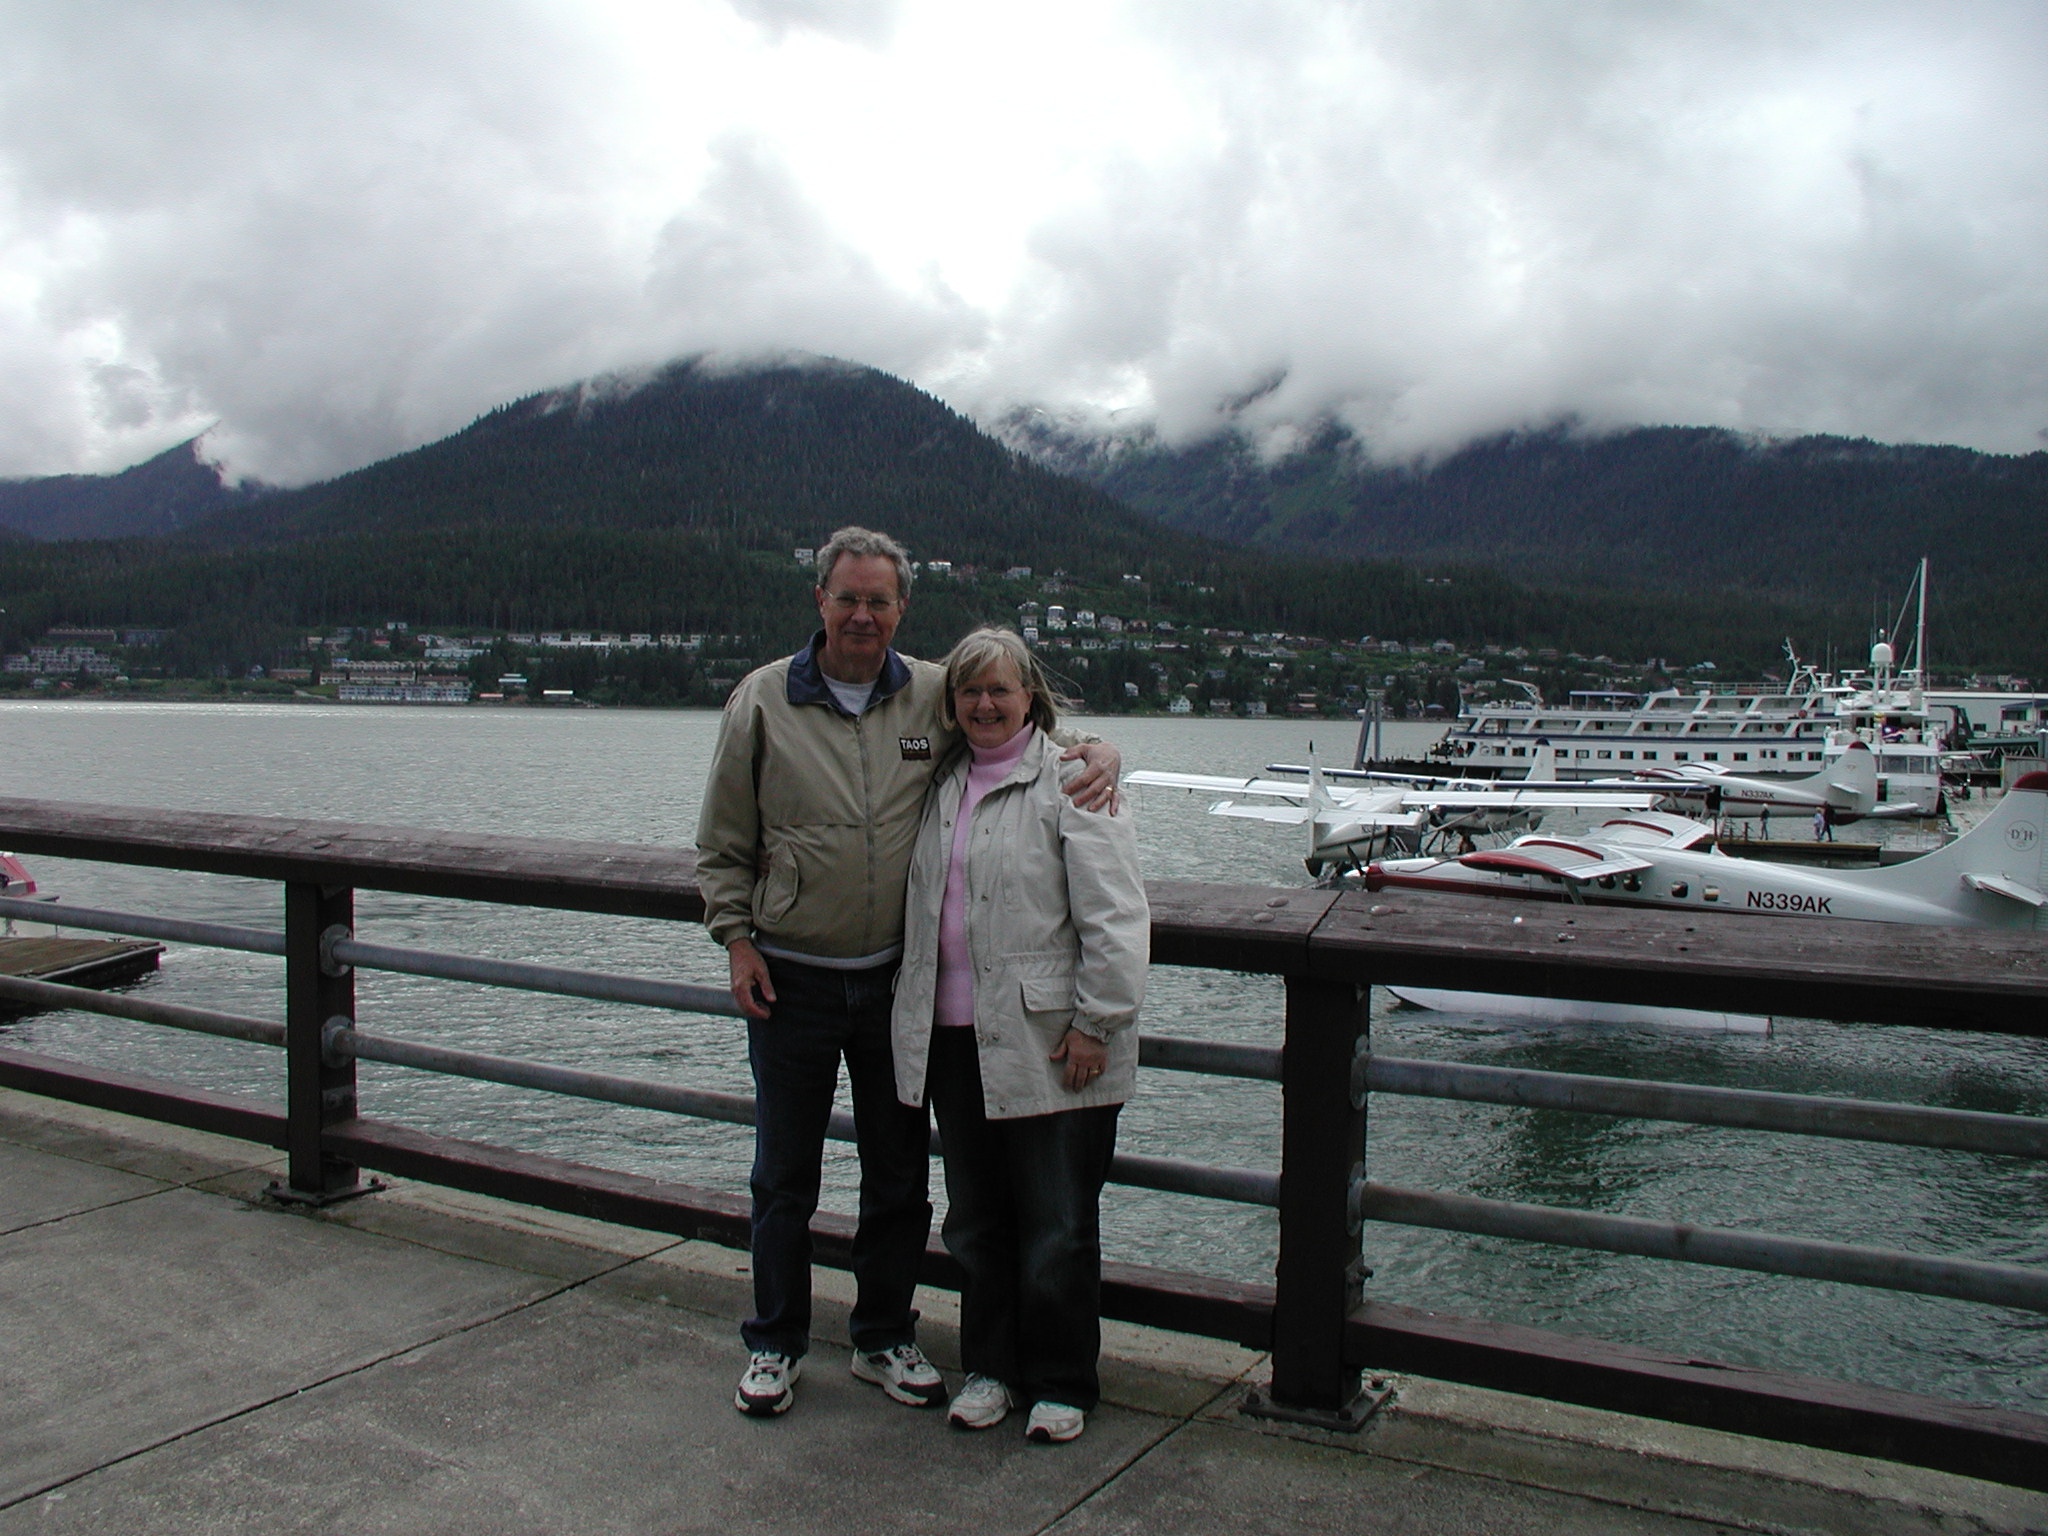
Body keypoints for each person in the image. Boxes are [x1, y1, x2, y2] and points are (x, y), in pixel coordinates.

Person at [695, 528, 1121, 1419]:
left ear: (901, 609)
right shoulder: (762, 702)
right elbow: (723, 845)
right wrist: (736, 941)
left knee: (899, 1178)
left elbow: (1013, 717)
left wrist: (1101, 753)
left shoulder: (929, 689)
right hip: (791, 981)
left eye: (879, 600)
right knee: (784, 1176)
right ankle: (774, 1341)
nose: (862, 614)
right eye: (847, 597)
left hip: (898, 987)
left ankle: (883, 1335)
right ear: (819, 599)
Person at [890, 628, 1148, 1446]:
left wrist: (1095, 1025)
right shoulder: (941, 780)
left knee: (1057, 1224)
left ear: (1031, 696)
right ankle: (992, 1369)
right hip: (957, 1038)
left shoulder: (1073, 780)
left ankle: (1062, 1380)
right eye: (969, 692)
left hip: (1050, 1043)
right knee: (977, 1221)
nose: (984, 705)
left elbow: (1116, 918)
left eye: (1001, 690)